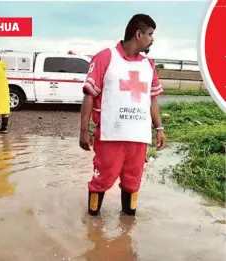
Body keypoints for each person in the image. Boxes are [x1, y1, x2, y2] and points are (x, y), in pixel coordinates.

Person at [79, 14, 166, 216]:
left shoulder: (149, 65)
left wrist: (159, 128)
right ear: (138, 34)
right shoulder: (105, 58)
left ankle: (127, 229)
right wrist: (84, 131)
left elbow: (152, 100)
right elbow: (89, 95)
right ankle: (93, 227)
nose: (152, 39)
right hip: (110, 135)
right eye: (150, 34)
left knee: (133, 182)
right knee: (101, 180)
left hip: (139, 138)